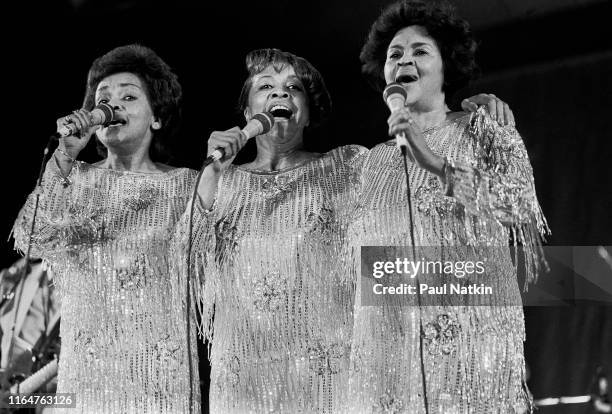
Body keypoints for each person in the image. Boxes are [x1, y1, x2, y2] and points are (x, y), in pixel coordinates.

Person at [183, 47, 514, 413]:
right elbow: (183, 273)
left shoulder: (348, 168)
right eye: (266, 86)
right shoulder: (219, 183)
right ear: (248, 113)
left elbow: (420, 188)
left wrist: (457, 122)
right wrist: (212, 172)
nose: (281, 94)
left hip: (331, 381)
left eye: (294, 88)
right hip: (243, 383)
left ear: (307, 114)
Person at [346, 1, 549, 413]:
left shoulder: (482, 127)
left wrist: (436, 164)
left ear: (446, 65)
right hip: (389, 357)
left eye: (420, 50)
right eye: (395, 55)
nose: (405, 59)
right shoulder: (370, 161)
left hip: (471, 350)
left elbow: (519, 208)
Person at [12, 44, 200, 413]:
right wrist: (64, 155)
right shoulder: (73, 179)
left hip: (160, 375)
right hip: (87, 375)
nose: (113, 107)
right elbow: (30, 239)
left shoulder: (185, 186)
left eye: (129, 97)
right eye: (103, 99)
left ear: (156, 117)